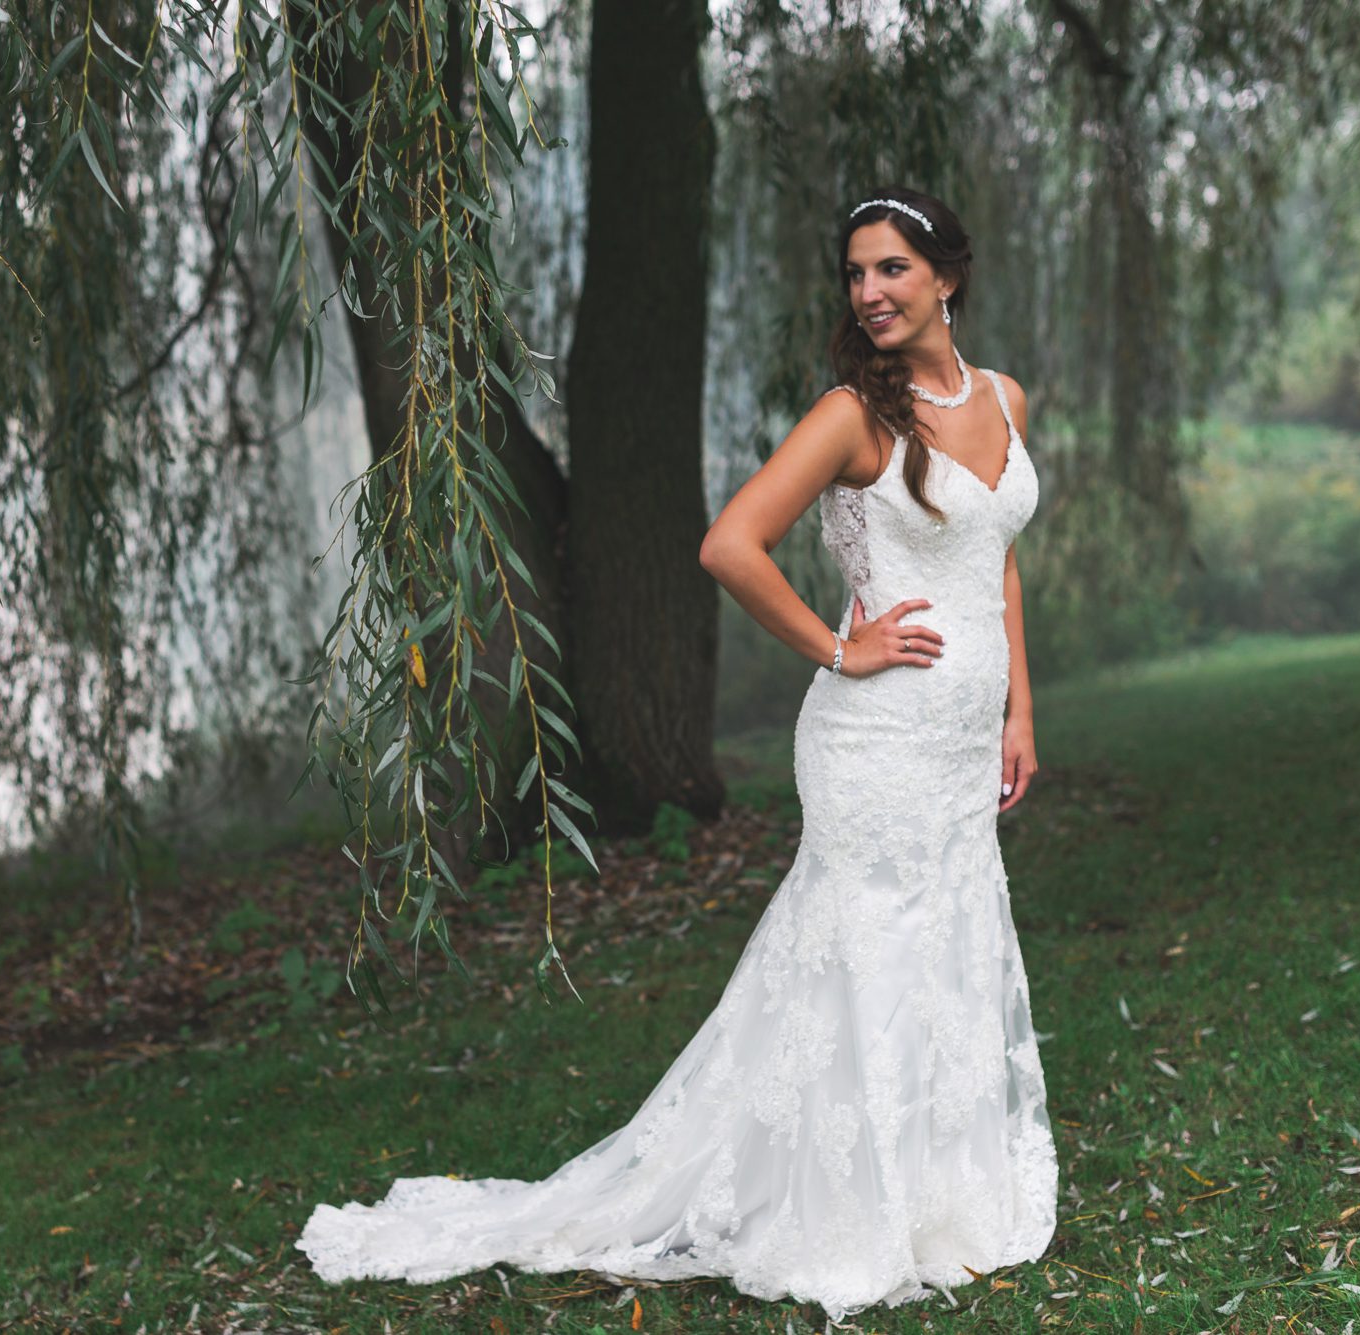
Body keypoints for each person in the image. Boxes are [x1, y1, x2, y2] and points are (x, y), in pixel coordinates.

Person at [295, 186, 1058, 1322]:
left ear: (945, 276)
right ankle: (850, 1208)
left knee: (943, 936)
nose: (868, 291)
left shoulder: (1004, 398)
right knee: (867, 952)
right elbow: (728, 544)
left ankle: (939, 1189)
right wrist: (838, 648)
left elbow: (994, 560)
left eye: (891, 268)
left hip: (959, 742)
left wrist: (1018, 712)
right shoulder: (852, 415)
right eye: (854, 272)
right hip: (875, 738)